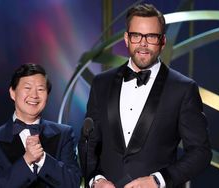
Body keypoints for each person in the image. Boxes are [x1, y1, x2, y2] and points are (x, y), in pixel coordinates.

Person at [78, 3, 212, 188]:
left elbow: (201, 152)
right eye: (136, 36)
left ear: (163, 41)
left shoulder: (183, 89)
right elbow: (88, 143)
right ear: (126, 39)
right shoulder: (101, 83)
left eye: (151, 36)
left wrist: (158, 180)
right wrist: (96, 180)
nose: (143, 43)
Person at [0, 63, 81, 188]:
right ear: (12, 92)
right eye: (27, 88)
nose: (34, 95)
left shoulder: (64, 134)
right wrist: (27, 160)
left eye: (40, 89)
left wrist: (43, 159)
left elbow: (73, 183)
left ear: (47, 95)